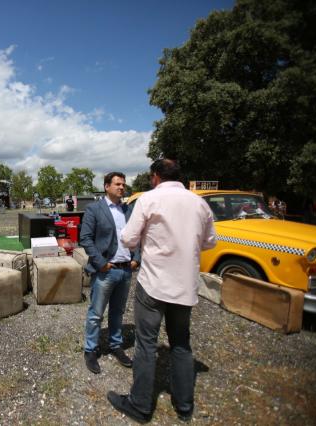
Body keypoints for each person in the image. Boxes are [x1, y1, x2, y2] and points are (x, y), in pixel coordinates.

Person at [107, 159, 216, 423]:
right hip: (185, 286)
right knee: (181, 344)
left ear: (155, 176)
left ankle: (141, 405)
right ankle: (184, 405)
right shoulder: (199, 202)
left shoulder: (148, 199)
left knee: (146, 344)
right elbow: (209, 243)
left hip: (154, 285)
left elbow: (129, 239)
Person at [80, 172, 140, 374]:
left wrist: (136, 259)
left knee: (118, 312)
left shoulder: (128, 209)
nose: (122, 187)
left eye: (124, 184)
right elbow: (86, 238)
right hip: (106, 271)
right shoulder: (94, 209)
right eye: (117, 184)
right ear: (106, 186)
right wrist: (101, 263)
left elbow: (138, 235)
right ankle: (90, 349)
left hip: (125, 271)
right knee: (96, 314)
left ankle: (116, 345)